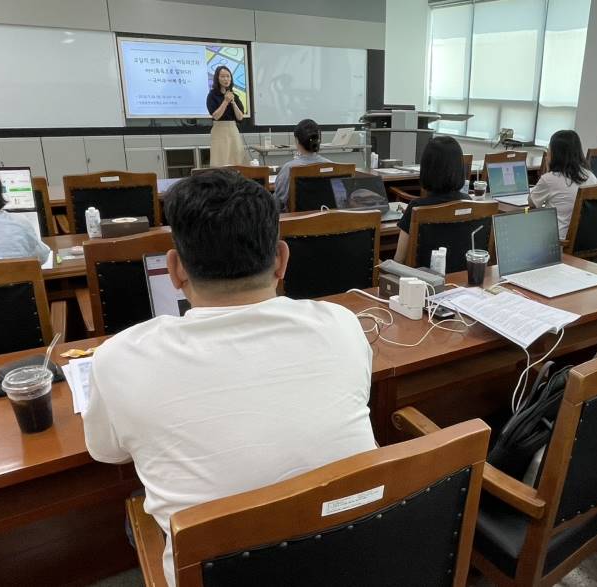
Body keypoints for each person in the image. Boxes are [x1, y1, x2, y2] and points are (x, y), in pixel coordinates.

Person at [82, 170, 377, 587]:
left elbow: (106, 453)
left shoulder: (117, 358)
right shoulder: (343, 325)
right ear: (281, 259)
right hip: (350, 559)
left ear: (175, 270)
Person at [393, 136, 470, 264]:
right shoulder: (469, 203)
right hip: (461, 281)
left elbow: (398, 260)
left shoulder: (416, 207)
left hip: (421, 282)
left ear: (427, 169)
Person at [529, 130, 597, 239]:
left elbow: (532, 203)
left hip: (557, 241)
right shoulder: (591, 177)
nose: (547, 154)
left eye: (549, 150)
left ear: (556, 154)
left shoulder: (550, 179)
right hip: (583, 241)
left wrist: (547, 171)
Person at [273, 118, 332, 210]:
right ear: (319, 140)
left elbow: (277, 203)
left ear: (297, 140)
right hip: (329, 222)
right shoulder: (332, 166)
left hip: (297, 223)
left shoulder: (289, 169)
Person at [206, 65, 249, 167]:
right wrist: (225, 101)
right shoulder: (212, 95)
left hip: (233, 129)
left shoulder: (234, 96)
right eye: (223, 76)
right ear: (217, 78)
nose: (226, 79)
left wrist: (233, 102)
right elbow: (216, 116)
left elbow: (240, 117)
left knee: (236, 159)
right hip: (219, 130)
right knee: (220, 161)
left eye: (228, 76)